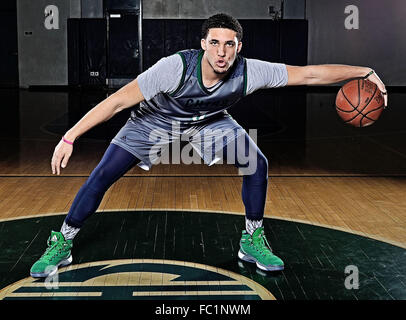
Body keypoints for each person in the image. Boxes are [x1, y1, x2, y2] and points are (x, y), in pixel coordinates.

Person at [30, 13, 387, 277]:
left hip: (208, 123)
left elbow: (309, 73)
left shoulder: (251, 71)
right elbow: (118, 102)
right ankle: (62, 242)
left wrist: (364, 71)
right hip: (153, 122)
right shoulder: (173, 68)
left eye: (229, 43)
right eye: (214, 42)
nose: (222, 51)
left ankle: (252, 239)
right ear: (203, 44)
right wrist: (70, 136)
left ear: (239, 47)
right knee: (103, 174)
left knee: (255, 162)